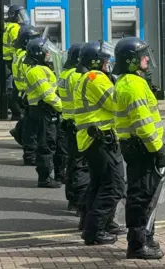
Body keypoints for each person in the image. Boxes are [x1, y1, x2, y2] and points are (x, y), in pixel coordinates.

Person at [112, 36, 165, 259]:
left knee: (147, 194)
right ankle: (136, 244)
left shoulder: (131, 81)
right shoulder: (133, 85)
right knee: (141, 196)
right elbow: (143, 124)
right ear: (131, 61)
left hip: (139, 147)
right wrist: (158, 150)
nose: (147, 59)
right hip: (143, 147)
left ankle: (146, 236)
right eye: (142, 56)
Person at [73, 40, 126, 245]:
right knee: (114, 186)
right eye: (105, 60)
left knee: (98, 183)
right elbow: (116, 104)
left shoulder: (88, 76)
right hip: (100, 138)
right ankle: (95, 231)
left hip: (92, 138)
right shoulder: (96, 78)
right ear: (96, 62)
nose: (108, 64)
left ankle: (92, 224)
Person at [23, 37, 64, 188]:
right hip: (42, 110)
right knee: (46, 144)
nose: (48, 54)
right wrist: (63, 108)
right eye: (45, 51)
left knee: (51, 142)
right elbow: (48, 95)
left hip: (46, 110)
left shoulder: (42, 68)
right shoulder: (35, 71)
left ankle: (52, 174)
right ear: (38, 53)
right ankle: (45, 178)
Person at [56, 43, 90, 214]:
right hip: (78, 123)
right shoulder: (77, 76)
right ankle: (79, 200)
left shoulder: (64, 73)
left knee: (72, 162)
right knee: (81, 165)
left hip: (67, 120)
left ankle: (72, 198)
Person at [10, 24, 41, 166]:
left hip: (22, 91)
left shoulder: (18, 53)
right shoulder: (25, 57)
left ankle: (18, 132)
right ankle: (30, 153)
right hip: (28, 92)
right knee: (32, 126)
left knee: (29, 121)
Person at [3, 4, 30, 120]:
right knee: (18, 85)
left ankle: (17, 111)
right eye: (20, 15)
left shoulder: (9, 26)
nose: (22, 18)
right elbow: (20, 42)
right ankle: (17, 111)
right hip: (15, 58)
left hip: (10, 59)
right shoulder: (15, 28)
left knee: (15, 84)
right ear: (13, 16)